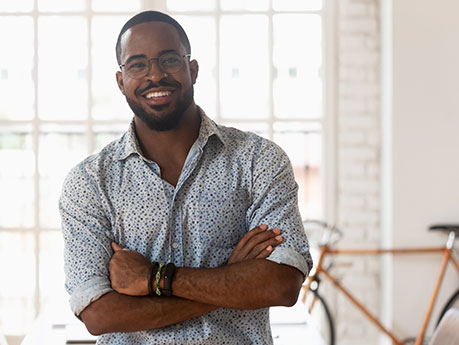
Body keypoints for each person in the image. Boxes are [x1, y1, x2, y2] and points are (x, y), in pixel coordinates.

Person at [59, 10, 313, 345]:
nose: (155, 75)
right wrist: (232, 279)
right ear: (121, 81)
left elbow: (281, 285)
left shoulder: (257, 160)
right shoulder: (89, 182)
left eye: (169, 59)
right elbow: (99, 314)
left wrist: (153, 277)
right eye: (137, 64)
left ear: (192, 69)